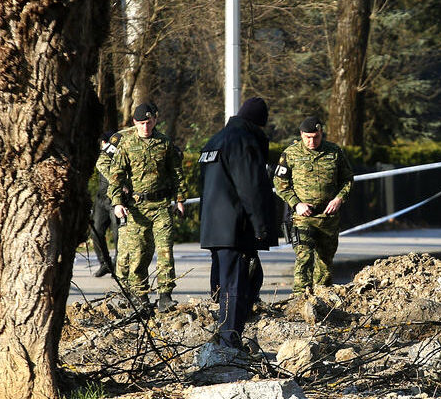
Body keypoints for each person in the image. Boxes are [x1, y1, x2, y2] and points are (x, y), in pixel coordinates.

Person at [199, 96, 277, 349]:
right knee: (236, 284)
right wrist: (262, 227)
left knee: (242, 279)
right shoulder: (243, 141)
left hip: (214, 226)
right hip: (235, 227)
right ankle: (229, 341)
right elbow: (251, 187)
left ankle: (225, 332)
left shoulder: (215, 140)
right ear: (258, 123)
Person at [108, 103, 188, 312]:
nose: (146, 127)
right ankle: (140, 296)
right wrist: (117, 203)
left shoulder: (164, 143)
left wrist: (180, 200)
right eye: (142, 123)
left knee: (165, 251)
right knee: (139, 253)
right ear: (135, 123)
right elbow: (115, 176)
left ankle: (165, 295)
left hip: (161, 206)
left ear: (155, 120)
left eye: (149, 122)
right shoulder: (126, 144)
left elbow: (176, 173)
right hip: (137, 208)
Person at [273, 116, 353, 295]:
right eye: (307, 137)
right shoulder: (291, 154)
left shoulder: (334, 152)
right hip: (303, 217)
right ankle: (299, 299)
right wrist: (296, 204)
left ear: (321, 133)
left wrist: (339, 199)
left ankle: (322, 300)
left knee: (325, 262)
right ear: (301, 135)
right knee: (304, 258)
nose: (312, 141)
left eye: (315, 137)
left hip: (328, 217)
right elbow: (280, 184)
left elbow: (347, 179)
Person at [90, 131, 120, 277]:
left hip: (115, 199)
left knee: (118, 234)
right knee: (96, 231)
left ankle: (118, 265)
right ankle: (105, 263)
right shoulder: (102, 156)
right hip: (101, 198)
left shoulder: (118, 151)